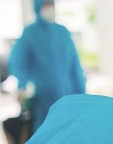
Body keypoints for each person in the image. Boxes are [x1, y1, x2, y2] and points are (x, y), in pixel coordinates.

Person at [7, 0, 86, 133]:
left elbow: (75, 68)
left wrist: (82, 94)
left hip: (68, 96)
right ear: (38, 6)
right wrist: (23, 84)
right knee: (46, 136)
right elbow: (17, 61)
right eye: (46, 4)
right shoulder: (30, 34)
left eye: (51, 4)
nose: (50, 8)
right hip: (43, 100)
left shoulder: (63, 33)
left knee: (69, 133)